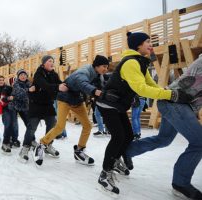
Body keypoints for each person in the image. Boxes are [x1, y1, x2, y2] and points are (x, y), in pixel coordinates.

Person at [96, 32, 192, 194]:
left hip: (118, 105)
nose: (151, 45)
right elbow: (141, 89)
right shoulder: (131, 63)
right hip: (107, 105)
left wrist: (166, 91)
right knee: (119, 136)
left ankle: (115, 160)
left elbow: (150, 84)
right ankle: (105, 174)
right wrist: (170, 95)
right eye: (147, 41)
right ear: (138, 44)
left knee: (128, 136)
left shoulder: (140, 62)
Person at [126, 56, 202, 200]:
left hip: (180, 104)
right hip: (174, 101)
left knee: (164, 139)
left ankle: (125, 151)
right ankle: (181, 183)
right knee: (199, 142)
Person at [33, 55, 109, 166]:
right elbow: (83, 83)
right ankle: (42, 144)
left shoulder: (99, 75)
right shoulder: (84, 72)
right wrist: (95, 92)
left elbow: (103, 84)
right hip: (64, 99)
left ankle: (79, 150)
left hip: (77, 100)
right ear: (97, 66)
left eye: (107, 67)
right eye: (104, 66)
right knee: (60, 126)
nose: (106, 69)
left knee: (87, 125)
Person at [21, 55, 67, 163]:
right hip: (35, 105)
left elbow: (60, 83)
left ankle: (48, 145)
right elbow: (45, 85)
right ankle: (25, 148)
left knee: (52, 125)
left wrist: (67, 85)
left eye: (53, 61)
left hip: (48, 105)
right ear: (43, 63)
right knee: (32, 128)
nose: (52, 63)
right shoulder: (38, 74)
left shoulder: (54, 74)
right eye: (50, 61)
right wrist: (58, 87)